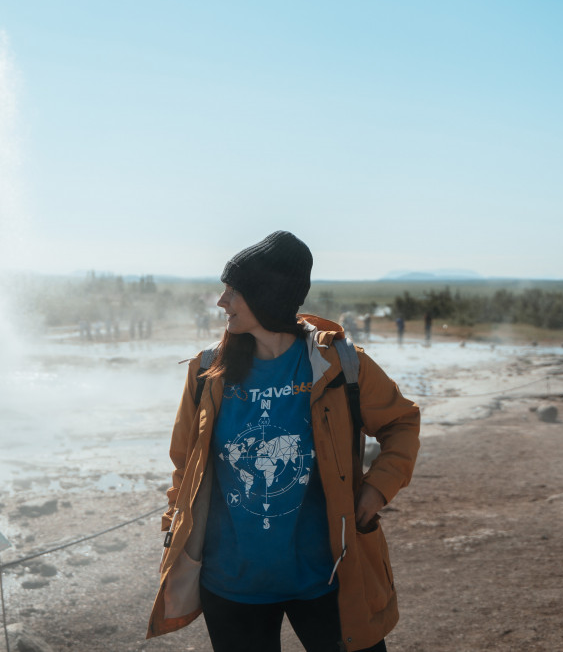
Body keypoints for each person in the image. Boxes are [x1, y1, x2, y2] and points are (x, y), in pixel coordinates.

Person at [148, 232, 421, 652]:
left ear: (267, 296)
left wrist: (377, 489)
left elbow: (401, 422)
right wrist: (175, 527)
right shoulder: (207, 371)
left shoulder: (338, 363)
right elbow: (185, 463)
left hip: (327, 575)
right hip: (232, 583)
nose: (222, 301)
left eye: (234, 291)